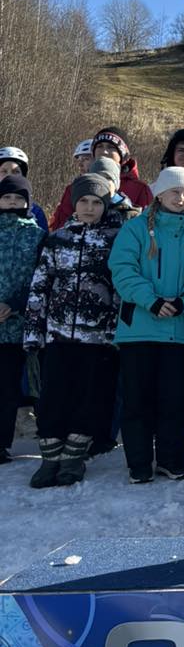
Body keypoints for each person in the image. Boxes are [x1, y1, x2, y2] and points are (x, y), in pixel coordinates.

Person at [23, 172, 121, 485]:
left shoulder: (114, 239)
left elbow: (119, 289)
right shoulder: (56, 239)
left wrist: (113, 333)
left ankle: (73, 459)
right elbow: (40, 287)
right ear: (74, 203)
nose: (90, 207)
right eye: (84, 201)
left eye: (96, 202)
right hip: (57, 334)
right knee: (53, 397)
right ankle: (50, 458)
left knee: (87, 398)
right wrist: (34, 332)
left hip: (96, 337)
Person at [108, 167, 184, 483]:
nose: (181, 198)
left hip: (179, 330)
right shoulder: (134, 229)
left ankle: (171, 459)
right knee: (137, 399)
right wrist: (150, 300)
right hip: (139, 328)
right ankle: (138, 462)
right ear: (159, 193)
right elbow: (122, 269)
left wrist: (183, 301)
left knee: (176, 399)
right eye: (175, 191)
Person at [0, 174, 45, 464]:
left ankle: (2, 442)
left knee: (7, 386)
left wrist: (13, 304)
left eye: (19, 198)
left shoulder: (37, 235)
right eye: (6, 198)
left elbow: (40, 277)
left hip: (18, 323)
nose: (12, 203)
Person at [50, 128, 153, 228]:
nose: (104, 151)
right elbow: (60, 227)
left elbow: (147, 229)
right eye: (99, 146)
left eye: (111, 147)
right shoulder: (75, 188)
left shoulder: (140, 190)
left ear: (123, 155)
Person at [0, 147, 48, 231]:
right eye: (4, 171)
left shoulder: (34, 211)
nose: (9, 175)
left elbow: (43, 240)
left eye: (16, 171)